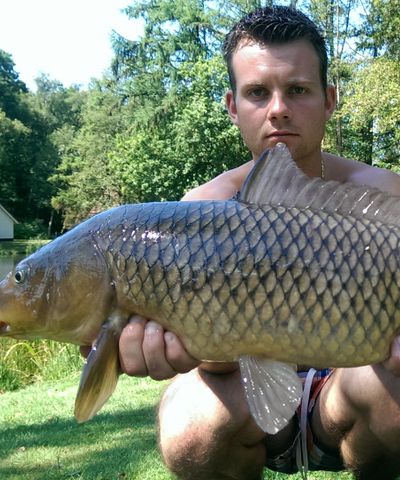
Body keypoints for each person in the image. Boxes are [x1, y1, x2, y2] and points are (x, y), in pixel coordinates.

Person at [114, 6, 400, 480]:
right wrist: (191, 346)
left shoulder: (386, 197)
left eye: (298, 90)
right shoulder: (200, 208)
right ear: (233, 106)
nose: (278, 108)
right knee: (188, 427)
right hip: (248, 402)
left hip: (352, 393)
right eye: (257, 92)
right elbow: (214, 366)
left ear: (329, 100)